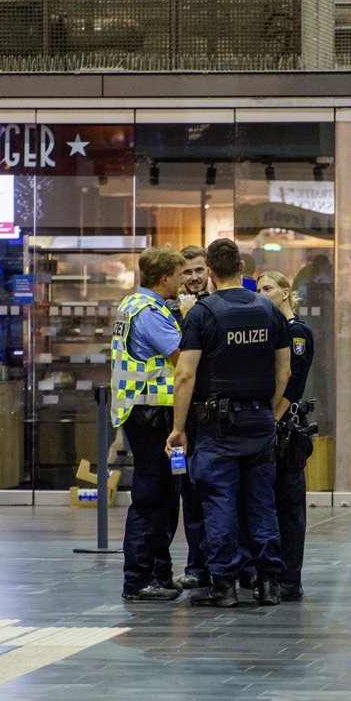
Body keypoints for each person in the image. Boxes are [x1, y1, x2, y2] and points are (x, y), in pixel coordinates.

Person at [166, 239, 291, 607]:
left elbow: (184, 376)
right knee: (262, 503)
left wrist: (179, 428)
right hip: (259, 422)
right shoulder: (268, 310)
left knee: (219, 503)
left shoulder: (202, 314)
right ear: (240, 266)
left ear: (210, 271)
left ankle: (223, 586)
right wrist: (266, 407)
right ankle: (269, 583)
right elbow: (284, 369)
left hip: (217, 426)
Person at [112, 246, 186, 601]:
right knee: (151, 498)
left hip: (143, 411)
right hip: (151, 413)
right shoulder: (151, 313)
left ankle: (157, 573)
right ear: (164, 278)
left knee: (163, 497)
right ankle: (139, 579)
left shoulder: (132, 304)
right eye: (179, 275)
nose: (182, 281)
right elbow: (181, 357)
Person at [257, 271, 315, 600]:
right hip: (266, 424)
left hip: (286, 428)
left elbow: (294, 381)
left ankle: (291, 578)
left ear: (285, 292)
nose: (263, 293)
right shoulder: (268, 331)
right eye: (259, 288)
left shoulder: (297, 333)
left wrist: (273, 418)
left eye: (269, 288)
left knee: (290, 507)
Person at [166, 243, 209, 590]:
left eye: (198, 270)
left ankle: (228, 563)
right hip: (183, 414)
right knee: (190, 493)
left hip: (214, 411)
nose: (193, 277)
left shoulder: (218, 305)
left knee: (222, 491)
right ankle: (196, 566)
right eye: (187, 272)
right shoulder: (169, 311)